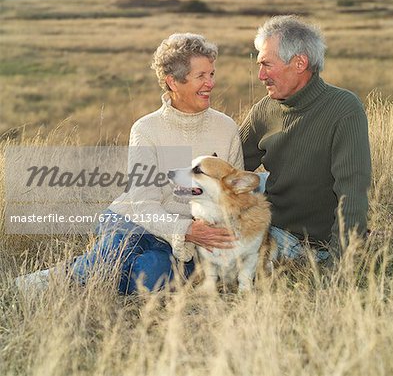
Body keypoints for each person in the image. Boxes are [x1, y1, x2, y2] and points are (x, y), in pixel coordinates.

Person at [16, 33, 243, 293]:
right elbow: (144, 203)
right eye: (201, 76)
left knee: (149, 277)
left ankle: (88, 274)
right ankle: (55, 279)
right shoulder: (146, 129)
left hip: (186, 239)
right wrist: (185, 229)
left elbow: (233, 196)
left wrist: (204, 234)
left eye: (212, 74)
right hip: (133, 219)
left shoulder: (226, 129)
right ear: (173, 82)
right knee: (114, 253)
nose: (211, 84)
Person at [240, 15, 371, 262]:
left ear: (299, 63)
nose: (260, 75)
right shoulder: (264, 109)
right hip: (270, 226)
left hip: (309, 244)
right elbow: (229, 167)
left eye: (267, 64)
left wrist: (341, 267)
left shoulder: (344, 109)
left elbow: (352, 191)